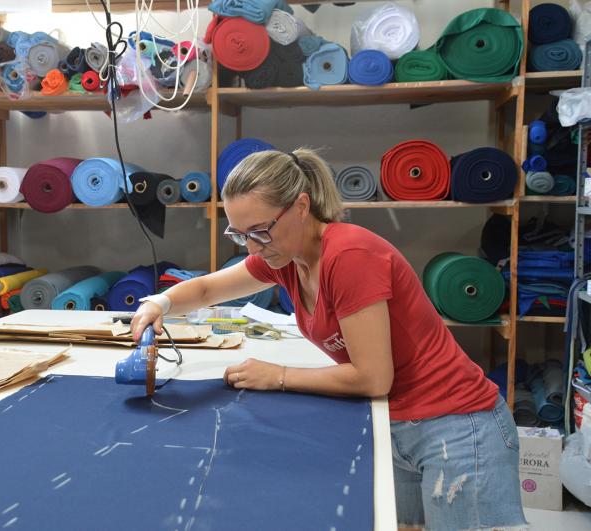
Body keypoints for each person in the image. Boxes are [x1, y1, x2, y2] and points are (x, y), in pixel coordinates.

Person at [130, 148, 526, 530]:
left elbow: (373, 378)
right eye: (240, 234)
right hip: (395, 422)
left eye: (260, 231)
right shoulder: (285, 258)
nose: (252, 247)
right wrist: (158, 303)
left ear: (301, 207)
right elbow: (205, 291)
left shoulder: (349, 255)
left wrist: (279, 375)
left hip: (456, 426)